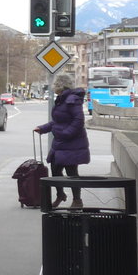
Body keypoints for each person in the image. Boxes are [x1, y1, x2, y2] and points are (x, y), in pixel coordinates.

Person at [34, 73, 90, 209]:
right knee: (55, 169)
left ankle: (77, 200)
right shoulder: (62, 99)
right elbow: (58, 121)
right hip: (60, 142)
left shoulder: (72, 100)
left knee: (72, 173)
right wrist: (43, 128)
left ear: (60, 86)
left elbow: (79, 120)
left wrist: (66, 133)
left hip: (72, 143)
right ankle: (60, 195)